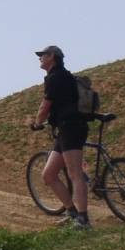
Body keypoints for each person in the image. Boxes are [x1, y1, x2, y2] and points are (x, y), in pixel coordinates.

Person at [28, 45, 90, 228]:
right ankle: (72, 213)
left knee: (75, 174)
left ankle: (83, 219)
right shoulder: (62, 75)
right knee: (48, 175)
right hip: (65, 129)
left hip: (71, 127)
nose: (39, 58)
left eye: (42, 55)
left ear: (52, 57)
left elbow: (44, 107)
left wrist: (37, 123)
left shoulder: (55, 78)